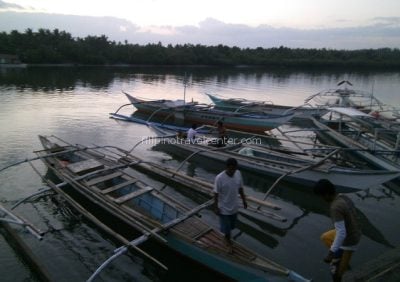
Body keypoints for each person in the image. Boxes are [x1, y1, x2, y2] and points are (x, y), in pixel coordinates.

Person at [314, 179, 362, 282]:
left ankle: (340, 269)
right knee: (325, 237)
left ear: (326, 194)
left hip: (350, 239)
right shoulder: (344, 196)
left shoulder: (335, 207)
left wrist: (331, 253)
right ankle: (342, 258)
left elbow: (341, 233)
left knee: (335, 271)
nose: (321, 199)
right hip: (355, 229)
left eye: (321, 196)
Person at [213, 158, 247, 251]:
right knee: (227, 228)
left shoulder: (238, 174)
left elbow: (240, 188)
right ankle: (227, 242)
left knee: (232, 226)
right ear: (226, 168)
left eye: (234, 169)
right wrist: (216, 207)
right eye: (231, 169)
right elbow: (216, 193)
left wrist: (244, 200)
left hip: (234, 206)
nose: (232, 171)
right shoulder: (219, 178)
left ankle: (227, 236)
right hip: (223, 207)